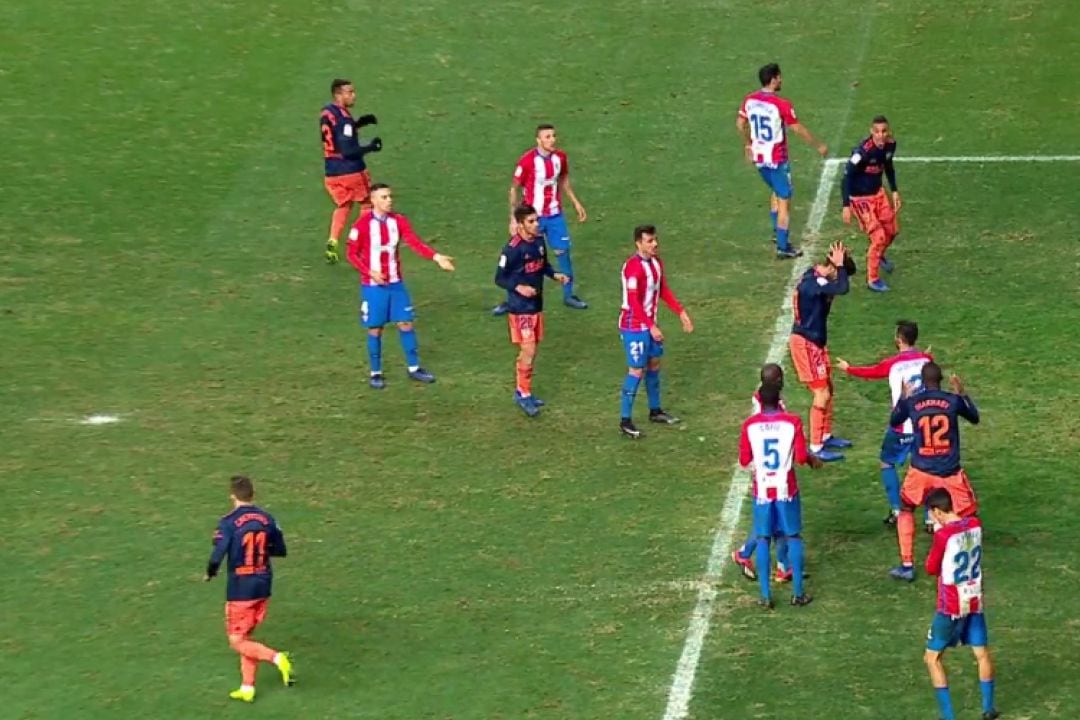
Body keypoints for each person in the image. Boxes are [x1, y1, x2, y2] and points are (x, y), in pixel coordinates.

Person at [346, 184, 455, 388]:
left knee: (406, 323)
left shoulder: (398, 221)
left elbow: (414, 242)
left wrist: (437, 257)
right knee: (375, 329)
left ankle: (414, 368)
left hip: (396, 284)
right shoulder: (361, 225)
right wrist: (370, 272)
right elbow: (351, 254)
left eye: (390, 196)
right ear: (373, 200)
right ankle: (375, 372)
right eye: (384, 197)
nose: (389, 200)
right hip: (373, 287)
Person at [887, 362, 980, 581]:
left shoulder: (913, 402)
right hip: (949, 471)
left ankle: (907, 564)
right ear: (941, 380)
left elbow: (894, 421)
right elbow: (975, 417)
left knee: (906, 508)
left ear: (922, 380)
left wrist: (902, 396)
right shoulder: (952, 401)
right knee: (968, 516)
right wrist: (963, 393)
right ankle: (965, 562)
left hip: (921, 470)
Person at [205, 475, 294, 702]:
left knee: (237, 641)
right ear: (253, 494)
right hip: (263, 584)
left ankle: (277, 658)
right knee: (246, 637)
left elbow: (219, 552)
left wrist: (211, 571)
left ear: (232, 496)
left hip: (241, 588)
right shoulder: (268, 519)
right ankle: (247, 687)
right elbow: (281, 549)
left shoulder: (228, 521)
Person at [836, 320, 933, 525]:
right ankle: (931, 517)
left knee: (887, 463)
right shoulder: (926, 359)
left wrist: (848, 368)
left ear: (898, 339)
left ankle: (897, 510)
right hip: (925, 423)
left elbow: (872, 372)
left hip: (902, 425)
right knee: (927, 469)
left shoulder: (893, 364)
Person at [738, 382, 822, 608]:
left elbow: (745, 460)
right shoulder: (792, 421)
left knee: (763, 539)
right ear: (779, 400)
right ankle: (797, 593)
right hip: (787, 488)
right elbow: (802, 457)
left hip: (763, 490)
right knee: (793, 536)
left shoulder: (750, 425)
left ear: (760, 402)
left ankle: (765, 596)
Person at [922, 488, 1000, 720]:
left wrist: (941, 531)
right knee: (982, 653)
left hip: (951, 604)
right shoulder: (975, 525)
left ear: (937, 511)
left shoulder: (943, 536)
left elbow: (930, 568)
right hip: (974, 599)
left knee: (932, 658)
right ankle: (988, 708)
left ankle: (948, 716)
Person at [737, 63, 828, 259]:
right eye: (779, 77)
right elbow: (797, 128)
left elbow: (740, 123)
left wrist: (748, 144)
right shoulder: (781, 104)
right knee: (784, 201)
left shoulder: (749, 100)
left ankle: (775, 231)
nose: (781, 80)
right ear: (773, 79)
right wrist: (818, 145)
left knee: (776, 192)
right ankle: (783, 246)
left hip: (760, 160)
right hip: (777, 160)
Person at [494, 124, 588, 314]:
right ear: (538, 140)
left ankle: (569, 295)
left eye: (553, 136)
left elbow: (563, 180)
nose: (552, 139)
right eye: (547, 136)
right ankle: (510, 300)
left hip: (554, 215)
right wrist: (514, 218)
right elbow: (514, 188)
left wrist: (576, 202)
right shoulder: (527, 161)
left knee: (563, 252)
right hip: (531, 217)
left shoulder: (560, 158)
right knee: (520, 257)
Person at [617, 225, 694, 438]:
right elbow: (633, 302)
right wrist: (650, 327)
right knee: (636, 371)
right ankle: (625, 420)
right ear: (638, 243)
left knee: (654, 364)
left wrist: (680, 312)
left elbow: (663, 290)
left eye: (655, 240)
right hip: (634, 327)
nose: (655, 244)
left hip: (649, 325)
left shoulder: (657, 263)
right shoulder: (633, 268)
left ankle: (655, 410)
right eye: (650, 241)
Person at [494, 204, 570, 416]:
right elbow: (499, 278)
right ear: (520, 225)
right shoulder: (512, 249)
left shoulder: (538, 241)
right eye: (531, 221)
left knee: (532, 349)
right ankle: (523, 393)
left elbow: (543, 265)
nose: (537, 224)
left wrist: (556, 275)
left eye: (537, 220)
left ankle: (523, 390)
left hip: (537, 305)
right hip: (520, 308)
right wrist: (519, 287)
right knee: (529, 349)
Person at [788, 240, 856, 461]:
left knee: (828, 388)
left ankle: (825, 435)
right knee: (821, 392)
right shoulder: (814, 284)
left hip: (815, 343)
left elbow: (839, 285)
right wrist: (839, 266)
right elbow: (842, 288)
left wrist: (838, 265)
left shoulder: (816, 277)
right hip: (805, 343)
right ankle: (816, 447)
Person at [732, 363, 795, 582]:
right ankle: (747, 554)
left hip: (770, 468)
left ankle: (781, 565)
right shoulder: (765, 406)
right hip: (767, 470)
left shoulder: (766, 398)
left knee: (774, 521)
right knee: (773, 522)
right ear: (776, 381)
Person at [320, 78, 381, 263]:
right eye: (349, 92)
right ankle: (357, 245)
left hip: (331, 173)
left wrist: (359, 123)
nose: (353, 95)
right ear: (338, 94)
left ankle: (332, 241)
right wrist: (370, 147)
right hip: (351, 171)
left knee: (344, 205)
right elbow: (348, 150)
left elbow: (338, 132)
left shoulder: (327, 112)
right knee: (367, 204)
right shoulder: (345, 120)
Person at [841, 115, 901, 291]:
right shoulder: (862, 153)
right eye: (877, 132)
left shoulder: (890, 145)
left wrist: (895, 191)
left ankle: (879, 254)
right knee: (879, 237)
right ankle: (872, 279)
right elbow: (846, 178)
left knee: (892, 231)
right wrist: (846, 205)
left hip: (878, 194)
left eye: (884, 131)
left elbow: (888, 166)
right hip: (861, 199)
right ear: (871, 132)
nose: (881, 135)